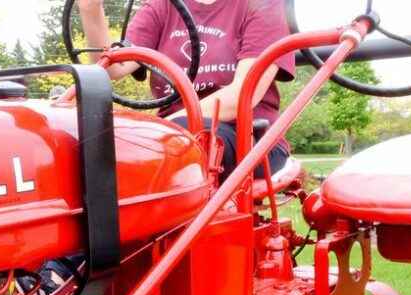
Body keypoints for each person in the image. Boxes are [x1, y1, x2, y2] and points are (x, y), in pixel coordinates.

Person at [77, 0, 295, 180]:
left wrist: (157, 130)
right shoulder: (162, 6)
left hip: (246, 136)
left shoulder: (262, 5)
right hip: (171, 134)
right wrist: (90, 9)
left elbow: (240, 97)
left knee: (178, 146)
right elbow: (113, 66)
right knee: (85, 137)